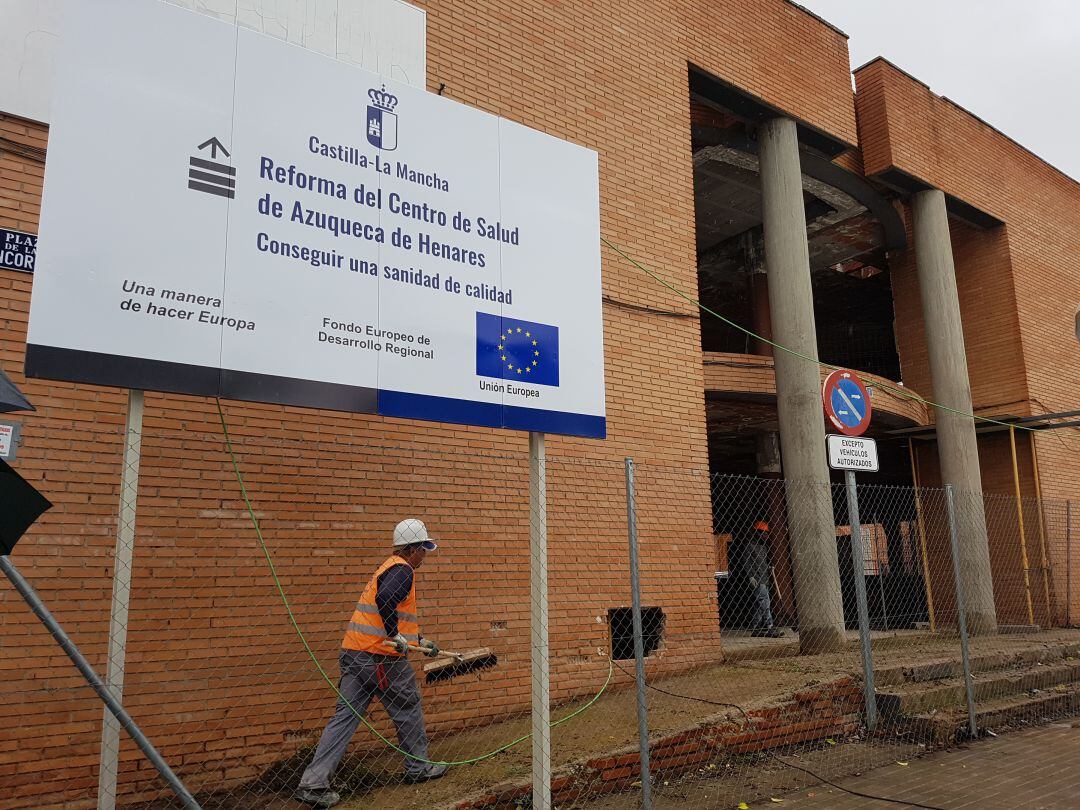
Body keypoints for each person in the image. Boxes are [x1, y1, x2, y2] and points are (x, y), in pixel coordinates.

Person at [294, 519, 448, 808]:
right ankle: (418, 768)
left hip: (354, 653)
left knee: (345, 717)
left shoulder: (387, 567)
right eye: (423, 549)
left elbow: (387, 614)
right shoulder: (403, 570)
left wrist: (419, 641)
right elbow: (386, 599)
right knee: (407, 706)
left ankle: (313, 784)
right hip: (381, 657)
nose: (425, 555)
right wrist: (393, 635)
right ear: (412, 549)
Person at [745, 521, 783, 638]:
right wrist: (751, 576)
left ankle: (755, 628)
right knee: (765, 603)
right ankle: (770, 626)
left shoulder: (763, 547)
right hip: (757, 580)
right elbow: (746, 563)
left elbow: (763, 563)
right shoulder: (749, 546)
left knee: (760, 604)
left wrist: (769, 567)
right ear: (757, 533)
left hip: (765, 579)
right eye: (764, 533)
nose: (766, 536)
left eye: (767, 534)